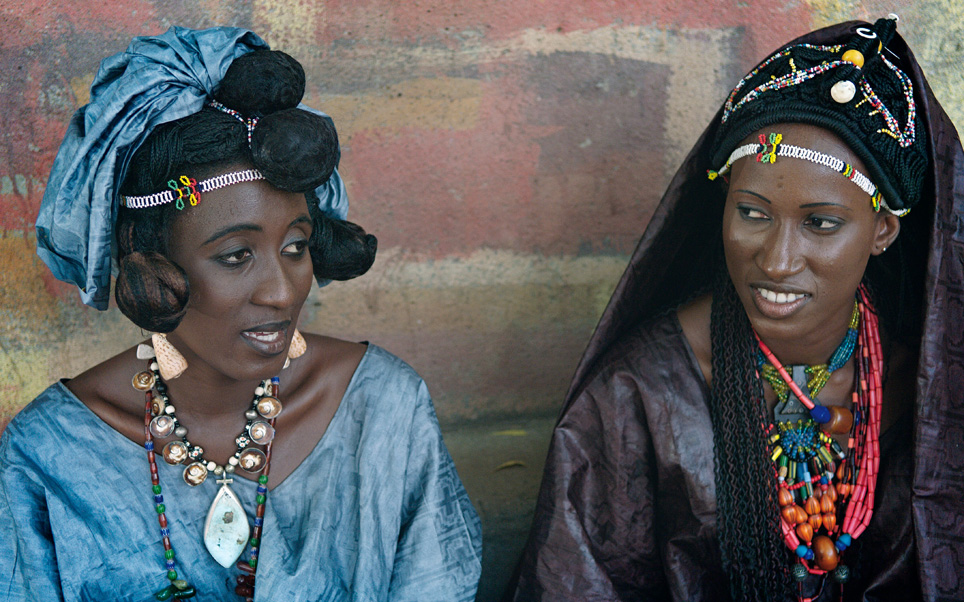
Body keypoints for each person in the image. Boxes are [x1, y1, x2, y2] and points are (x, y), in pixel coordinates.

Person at [0, 27, 482, 601]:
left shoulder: (382, 412)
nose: (282, 292)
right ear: (147, 262)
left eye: (296, 247)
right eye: (235, 256)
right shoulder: (51, 457)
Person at [511, 16, 963, 602]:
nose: (776, 261)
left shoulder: (932, 390)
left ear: (882, 231)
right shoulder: (639, 395)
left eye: (821, 223)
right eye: (752, 212)